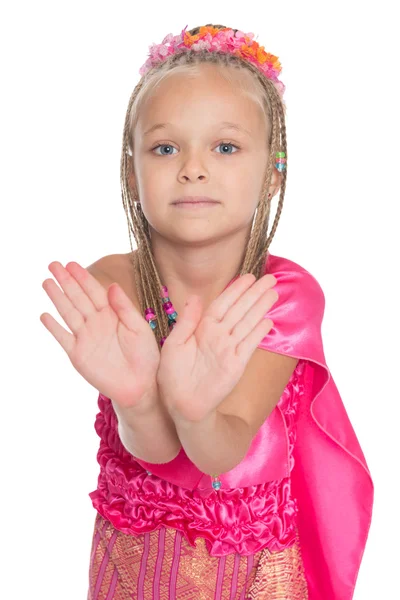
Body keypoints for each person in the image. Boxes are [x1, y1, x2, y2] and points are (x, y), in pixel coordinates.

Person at [40, 24, 374, 600]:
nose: (193, 169)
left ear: (273, 172)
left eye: (225, 147)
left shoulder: (281, 295)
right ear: (130, 172)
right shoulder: (116, 285)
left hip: (252, 571)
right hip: (136, 562)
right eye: (166, 148)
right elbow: (155, 451)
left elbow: (221, 451)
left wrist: (195, 412)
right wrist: (140, 399)